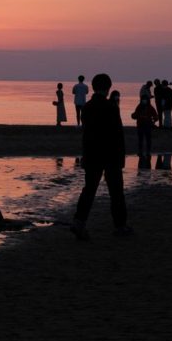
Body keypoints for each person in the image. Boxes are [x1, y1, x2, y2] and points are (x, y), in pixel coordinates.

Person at [71, 73, 130, 241]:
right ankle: (120, 226)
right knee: (116, 192)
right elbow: (118, 135)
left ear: (94, 87)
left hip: (92, 154)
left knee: (89, 190)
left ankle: (79, 222)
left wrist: (85, 155)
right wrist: (121, 157)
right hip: (110, 155)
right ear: (108, 88)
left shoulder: (87, 107)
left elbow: (86, 134)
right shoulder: (111, 107)